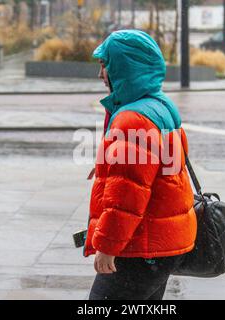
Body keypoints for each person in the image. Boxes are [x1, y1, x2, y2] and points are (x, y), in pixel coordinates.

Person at [84, 30, 197, 300]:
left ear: (125, 68)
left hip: (139, 248)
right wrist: (111, 163)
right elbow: (161, 167)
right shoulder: (160, 106)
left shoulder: (133, 119)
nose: (101, 75)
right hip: (162, 244)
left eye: (105, 65)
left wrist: (108, 247)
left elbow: (127, 198)